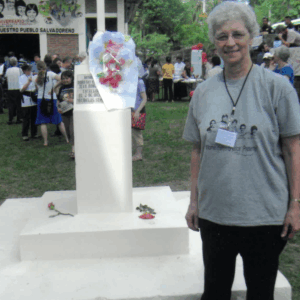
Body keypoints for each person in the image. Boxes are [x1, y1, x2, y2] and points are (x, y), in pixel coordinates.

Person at [183, 2, 300, 300]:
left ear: (251, 36)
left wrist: (296, 204)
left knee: (260, 293)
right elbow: (197, 151)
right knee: (216, 292)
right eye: (222, 36)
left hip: (264, 215)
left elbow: (293, 148)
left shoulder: (278, 88)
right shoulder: (204, 92)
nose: (230, 42)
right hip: (215, 216)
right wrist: (194, 203)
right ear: (214, 41)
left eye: (237, 34)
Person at [35, 61, 69, 146]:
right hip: (52, 99)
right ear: (45, 66)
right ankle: (67, 139)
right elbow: (61, 80)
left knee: (43, 122)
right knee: (59, 121)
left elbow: (36, 88)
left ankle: (45, 141)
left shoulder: (36, 77)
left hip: (41, 99)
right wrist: (54, 87)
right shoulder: (50, 74)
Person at [54, 70, 75, 159]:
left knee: (72, 130)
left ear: (71, 78)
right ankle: (74, 147)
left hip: (74, 111)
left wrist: (72, 100)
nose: (65, 80)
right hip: (64, 112)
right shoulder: (62, 88)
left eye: (67, 78)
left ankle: (74, 150)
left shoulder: (75, 86)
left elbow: (80, 99)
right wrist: (58, 107)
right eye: (63, 79)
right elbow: (59, 99)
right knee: (67, 131)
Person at [19, 64, 38, 141]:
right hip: (26, 99)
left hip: (33, 98)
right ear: (24, 71)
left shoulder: (33, 76)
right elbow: (21, 89)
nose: (29, 72)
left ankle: (34, 133)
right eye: (27, 70)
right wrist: (28, 82)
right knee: (26, 118)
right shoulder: (21, 78)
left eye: (30, 70)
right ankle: (25, 134)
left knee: (34, 117)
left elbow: (36, 87)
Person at [132, 77, 147, 161]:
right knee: (132, 133)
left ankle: (138, 154)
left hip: (138, 111)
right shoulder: (130, 81)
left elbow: (144, 98)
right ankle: (135, 153)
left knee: (137, 132)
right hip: (132, 110)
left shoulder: (139, 82)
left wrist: (138, 111)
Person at [5, 57, 22, 125]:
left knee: (11, 105)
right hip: (18, 88)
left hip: (10, 89)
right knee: (18, 104)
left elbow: (6, 79)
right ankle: (18, 118)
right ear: (16, 62)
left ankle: (10, 119)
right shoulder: (19, 70)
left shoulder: (8, 70)